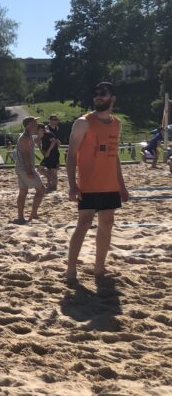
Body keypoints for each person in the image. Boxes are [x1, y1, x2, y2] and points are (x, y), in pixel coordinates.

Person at [65, 81, 129, 283]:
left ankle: (99, 268)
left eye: (103, 93)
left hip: (109, 184)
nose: (98, 96)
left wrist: (122, 185)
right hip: (88, 184)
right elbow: (71, 154)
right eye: (96, 93)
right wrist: (72, 185)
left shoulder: (117, 123)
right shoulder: (83, 122)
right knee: (83, 224)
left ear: (112, 98)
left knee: (107, 224)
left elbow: (114, 156)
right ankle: (71, 269)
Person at [13, 117, 46, 223]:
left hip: (20, 168)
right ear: (29, 125)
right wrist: (29, 171)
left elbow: (31, 147)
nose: (37, 124)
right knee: (41, 190)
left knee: (23, 192)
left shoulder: (27, 136)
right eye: (35, 122)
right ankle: (33, 214)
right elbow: (26, 155)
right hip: (25, 168)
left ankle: (21, 217)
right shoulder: (25, 138)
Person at [40, 115, 61, 190]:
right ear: (50, 120)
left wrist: (58, 144)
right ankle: (50, 183)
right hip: (48, 150)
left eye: (56, 119)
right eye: (53, 119)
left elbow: (56, 140)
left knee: (53, 169)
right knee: (50, 169)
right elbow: (44, 139)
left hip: (53, 150)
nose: (54, 121)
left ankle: (53, 185)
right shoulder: (46, 128)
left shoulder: (56, 127)